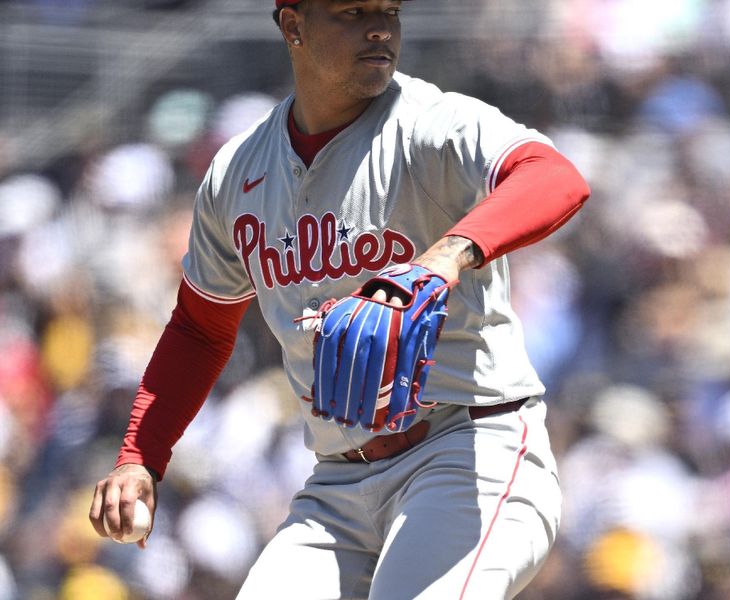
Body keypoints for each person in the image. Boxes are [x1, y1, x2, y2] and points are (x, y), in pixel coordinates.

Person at [89, 0, 591, 598]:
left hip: (469, 451)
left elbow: (554, 175)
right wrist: (139, 456)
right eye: (353, 12)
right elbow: (201, 329)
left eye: (389, 11)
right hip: (340, 483)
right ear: (293, 25)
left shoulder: (430, 122)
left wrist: (448, 254)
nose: (379, 28)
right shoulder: (238, 172)